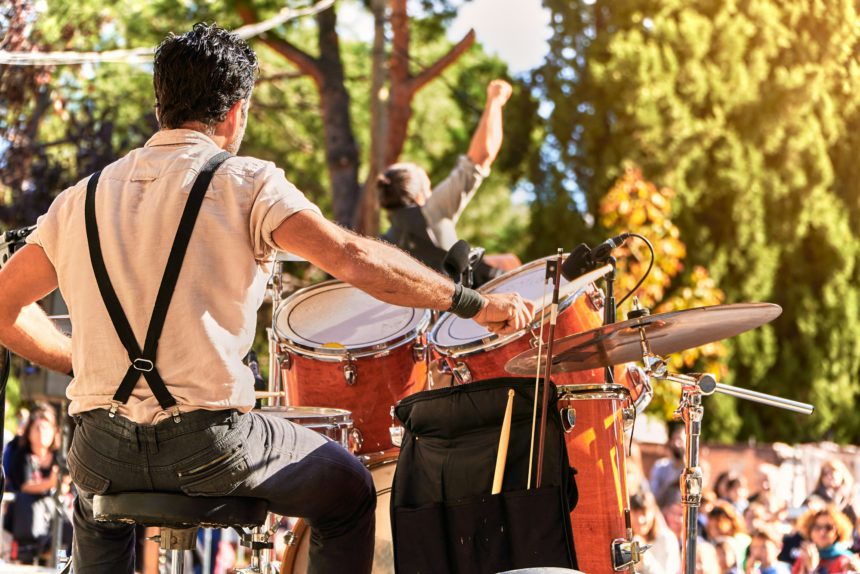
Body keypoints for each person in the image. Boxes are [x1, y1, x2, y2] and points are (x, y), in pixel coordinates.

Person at [0, 23, 534, 574]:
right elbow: (355, 258)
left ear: (161, 105)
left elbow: (3, 308)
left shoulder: (77, 200)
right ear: (236, 112)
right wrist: (473, 302)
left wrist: (76, 360)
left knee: (94, 502)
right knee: (351, 489)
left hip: (102, 446)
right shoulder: (247, 182)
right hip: (209, 447)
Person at [378, 79, 513, 284]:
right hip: (466, 310)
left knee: (504, 261)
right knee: (509, 263)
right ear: (421, 195)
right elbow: (482, 155)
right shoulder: (431, 210)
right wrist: (495, 100)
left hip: (424, 311)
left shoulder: (383, 246)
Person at [4, 403, 72, 564]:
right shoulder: (23, 455)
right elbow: (24, 485)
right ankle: (33, 555)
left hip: (55, 506)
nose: (42, 432)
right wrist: (50, 483)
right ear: (29, 433)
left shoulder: (59, 457)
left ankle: (60, 561)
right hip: (29, 510)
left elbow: (66, 484)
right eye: (37, 428)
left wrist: (62, 485)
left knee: (69, 525)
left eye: (45, 428)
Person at [791, 505, 860, 574]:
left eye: (828, 528)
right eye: (817, 527)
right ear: (810, 531)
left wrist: (812, 570)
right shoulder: (804, 558)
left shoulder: (846, 560)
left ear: (838, 532)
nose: (822, 532)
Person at [630, 488, 681, 574]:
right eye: (635, 513)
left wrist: (644, 555)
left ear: (653, 512)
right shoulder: (625, 541)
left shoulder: (667, 539)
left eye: (644, 513)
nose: (640, 520)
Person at [804, 460, 858, 526]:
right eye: (825, 473)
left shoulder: (852, 495)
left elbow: (856, 521)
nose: (829, 476)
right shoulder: (815, 498)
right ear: (821, 477)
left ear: (842, 474)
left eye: (833, 471)